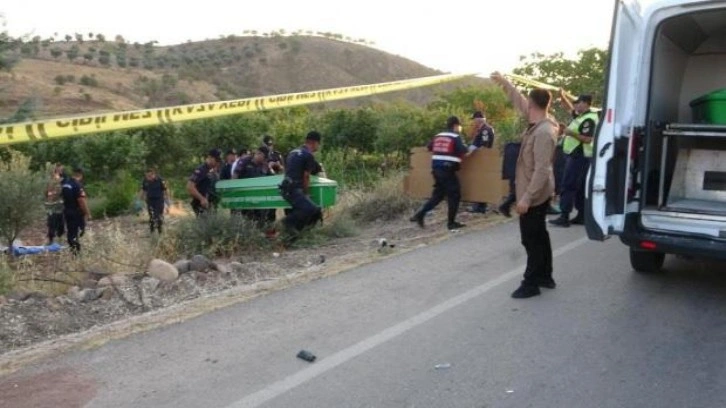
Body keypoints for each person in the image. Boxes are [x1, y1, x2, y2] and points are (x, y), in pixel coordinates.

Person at [491, 72, 558, 299]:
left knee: (530, 238)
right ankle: (545, 276)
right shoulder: (539, 121)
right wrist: (504, 83)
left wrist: (527, 198)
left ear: (533, 104)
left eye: (527, 102)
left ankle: (531, 283)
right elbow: (519, 100)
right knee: (540, 234)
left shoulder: (544, 132)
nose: (524, 105)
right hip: (535, 190)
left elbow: (542, 169)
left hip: (535, 193)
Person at [409, 115, 469, 231]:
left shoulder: (438, 136)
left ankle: (419, 215)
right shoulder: (456, 136)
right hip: (448, 170)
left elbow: (429, 147)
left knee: (438, 195)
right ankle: (451, 223)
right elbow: (463, 150)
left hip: (436, 170)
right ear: (456, 126)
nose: (460, 129)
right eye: (460, 126)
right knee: (454, 195)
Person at [549, 92, 599, 227]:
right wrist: (562, 95)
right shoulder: (582, 116)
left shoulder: (589, 119)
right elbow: (569, 108)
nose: (576, 105)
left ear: (585, 103)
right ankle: (581, 216)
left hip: (579, 156)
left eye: (579, 103)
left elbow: (588, 139)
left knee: (568, 185)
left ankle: (564, 216)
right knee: (580, 186)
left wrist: (570, 133)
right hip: (577, 155)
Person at [279, 131, 324, 234]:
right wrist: (306, 194)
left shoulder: (292, 152)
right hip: (294, 189)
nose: (318, 146)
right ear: (314, 142)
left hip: (286, 188)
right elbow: (306, 176)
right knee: (311, 209)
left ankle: (302, 232)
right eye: (318, 143)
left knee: (315, 211)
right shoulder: (308, 155)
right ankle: (286, 222)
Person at [467, 110, 496, 214]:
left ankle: (480, 207)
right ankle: (479, 206)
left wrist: (473, 150)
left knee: (481, 183)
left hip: (483, 160)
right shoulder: (482, 129)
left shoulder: (485, 130)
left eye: (474, 119)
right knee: (480, 182)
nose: (474, 122)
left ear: (479, 119)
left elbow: (484, 146)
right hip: (482, 160)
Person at [235, 147, 273, 226]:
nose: (265, 160)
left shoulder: (264, 165)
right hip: (244, 196)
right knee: (245, 219)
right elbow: (235, 176)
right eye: (264, 157)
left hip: (258, 198)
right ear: (259, 154)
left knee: (259, 219)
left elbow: (271, 178)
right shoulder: (245, 161)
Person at [62, 167, 90, 255]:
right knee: (78, 232)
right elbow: (81, 200)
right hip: (76, 212)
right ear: (80, 175)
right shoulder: (77, 185)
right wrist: (87, 213)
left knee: (71, 232)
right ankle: (77, 254)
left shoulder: (66, 184)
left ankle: (73, 251)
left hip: (67, 211)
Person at [187, 149, 222, 216]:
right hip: (201, 204)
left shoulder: (211, 170)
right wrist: (201, 199)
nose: (218, 163)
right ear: (210, 158)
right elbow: (190, 186)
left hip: (210, 203)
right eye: (216, 160)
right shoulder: (201, 169)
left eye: (219, 161)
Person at [140, 167, 169, 234]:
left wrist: (167, 200)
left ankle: (160, 231)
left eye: (150, 176)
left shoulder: (160, 180)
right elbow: (143, 190)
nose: (148, 177)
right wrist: (140, 200)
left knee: (158, 216)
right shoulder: (145, 181)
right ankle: (152, 231)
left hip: (159, 200)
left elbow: (165, 190)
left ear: (154, 174)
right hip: (150, 200)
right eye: (147, 176)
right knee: (151, 216)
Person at [45, 163, 66, 245]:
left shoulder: (61, 180)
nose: (61, 171)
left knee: (60, 223)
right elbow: (48, 194)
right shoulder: (52, 181)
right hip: (53, 206)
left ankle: (59, 240)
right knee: (52, 223)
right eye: (60, 169)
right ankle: (51, 241)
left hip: (59, 206)